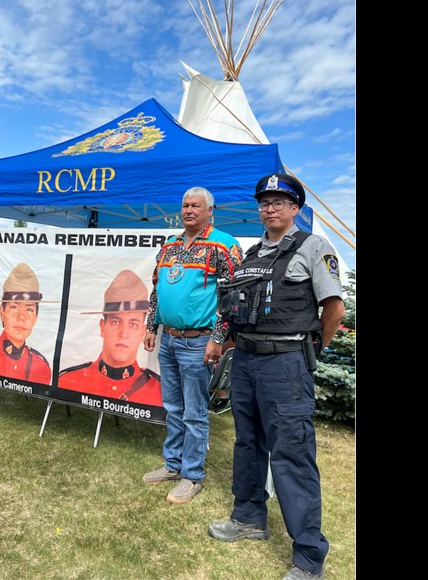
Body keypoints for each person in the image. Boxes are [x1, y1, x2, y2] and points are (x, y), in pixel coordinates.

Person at [207, 173, 345, 580]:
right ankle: (249, 517)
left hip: (286, 364)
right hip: (247, 362)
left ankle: (308, 556)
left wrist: (311, 350)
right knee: (248, 443)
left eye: (280, 202)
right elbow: (233, 312)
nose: (270, 208)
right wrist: (223, 342)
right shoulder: (251, 255)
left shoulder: (312, 247)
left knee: (292, 454)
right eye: (265, 202)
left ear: (295, 208)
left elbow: (333, 309)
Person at [142, 187, 243, 505]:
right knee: (172, 407)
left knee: (195, 412)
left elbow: (233, 299)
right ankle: (172, 465)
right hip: (169, 338)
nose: (189, 210)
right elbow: (157, 288)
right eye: (185, 205)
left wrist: (217, 339)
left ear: (210, 210)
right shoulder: (169, 245)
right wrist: (151, 326)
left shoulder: (224, 245)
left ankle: (193, 475)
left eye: (196, 206)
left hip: (198, 342)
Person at [57, 270, 161, 406]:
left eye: (133, 324)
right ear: (102, 327)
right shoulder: (68, 381)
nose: (123, 334)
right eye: (116, 322)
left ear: (142, 331)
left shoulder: (156, 390)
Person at [0, 263, 55, 385]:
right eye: (14, 307)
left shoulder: (40, 365)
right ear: (2, 311)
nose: (21, 317)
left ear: (36, 317)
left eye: (29, 309)